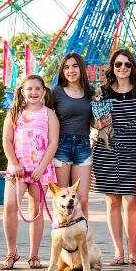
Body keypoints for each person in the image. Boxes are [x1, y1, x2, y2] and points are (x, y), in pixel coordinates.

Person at [92, 48, 136, 265]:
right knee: (112, 201)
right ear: (112, 67)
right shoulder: (102, 92)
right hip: (108, 149)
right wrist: (98, 125)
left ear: (133, 68)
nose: (122, 68)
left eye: (127, 64)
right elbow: (94, 121)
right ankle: (118, 252)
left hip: (133, 150)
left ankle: (133, 251)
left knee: (132, 201)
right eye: (118, 64)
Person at [1, 74, 59, 270]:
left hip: (39, 170)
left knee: (36, 210)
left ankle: (34, 255)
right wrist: (14, 162)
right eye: (29, 89)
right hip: (17, 169)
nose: (33, 92)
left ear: (43, 91)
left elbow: (53, 143)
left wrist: (42, 167)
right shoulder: (14, 112)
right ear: (22, 91)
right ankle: (11, 251)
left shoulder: (49, 114)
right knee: (10, 206)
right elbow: (7, 141)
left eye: (37, 88)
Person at [52, 52, 93, 218]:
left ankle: (83, 242)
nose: (71, 70)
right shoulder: (56, 93)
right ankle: (63, 242)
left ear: (81, 69)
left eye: (75, 66)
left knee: (81, 199)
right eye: (66, 67)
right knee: (62, 199)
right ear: (62, 71)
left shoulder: (90, 92)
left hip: (83, 146)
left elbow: (96, 120)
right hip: (62, 146)